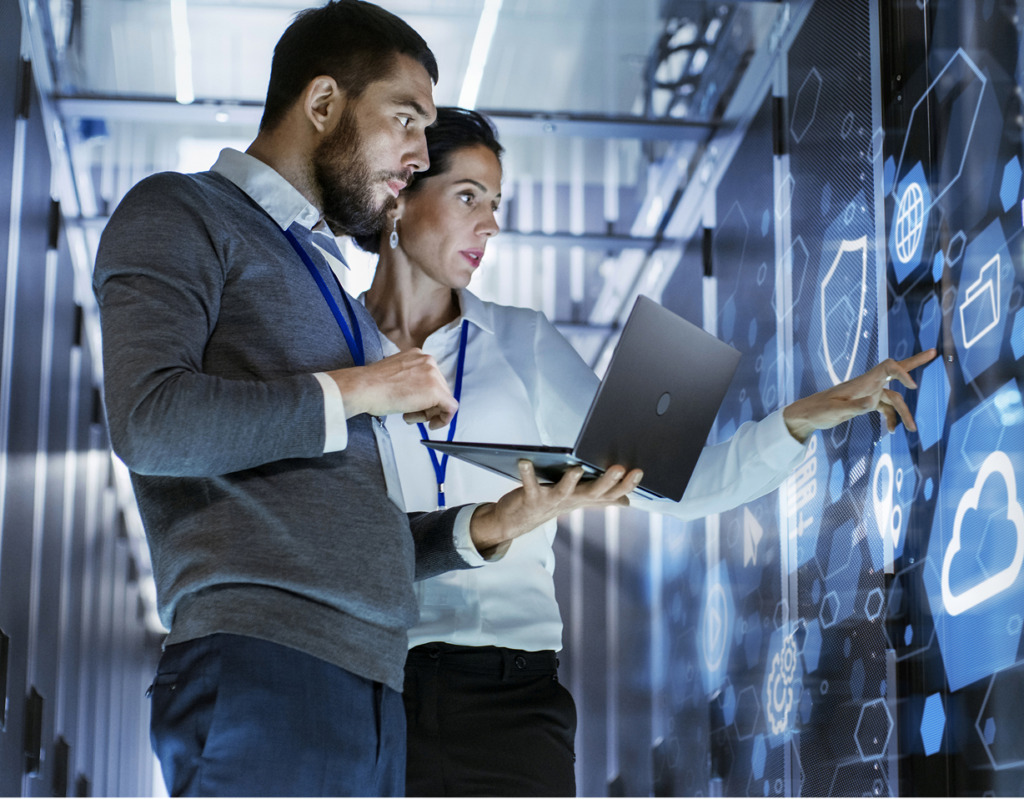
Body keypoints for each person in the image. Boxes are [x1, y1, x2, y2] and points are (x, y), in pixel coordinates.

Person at [92, 6, 641, 797]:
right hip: (265, 664)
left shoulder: (330, 291)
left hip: (373, 688)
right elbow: (151, 420)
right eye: (406, 119)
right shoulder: (181, 212)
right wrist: (366, 387)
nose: (417, 153)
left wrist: (493, 526)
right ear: (323, 105)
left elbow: (356, 528)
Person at [356, 107, 937, 797]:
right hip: (369, 687)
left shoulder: (523, 343)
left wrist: (803, 419)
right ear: (401, 194)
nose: (491, 224)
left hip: (510, 696)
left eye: (497, 204)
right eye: (468, 196)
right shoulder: (333, 349)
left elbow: (675, 485)